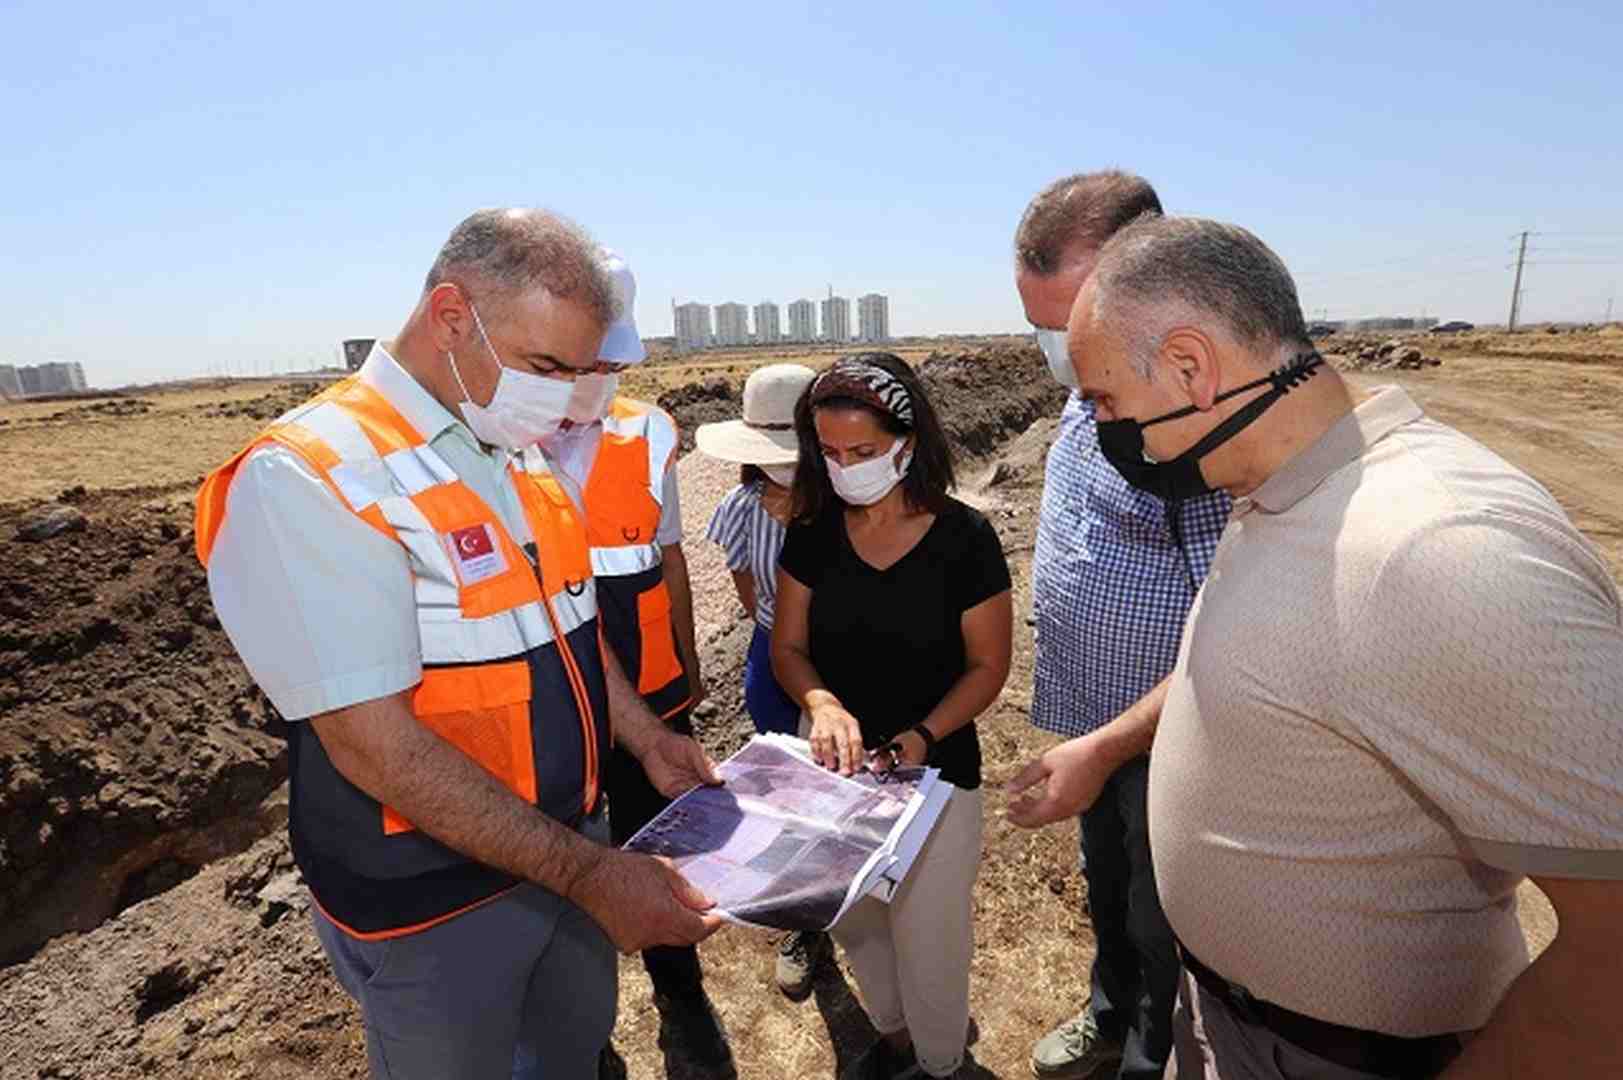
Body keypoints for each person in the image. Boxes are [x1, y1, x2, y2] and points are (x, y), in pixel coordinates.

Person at [1008, 215, 1623, 1079]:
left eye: (1107, 401)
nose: (1108, 431)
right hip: (1225, 1018)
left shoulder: (1441, 549)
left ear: (1191, 368)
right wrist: (1109, 747)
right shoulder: (1276, 488)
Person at [195, 209, 724, 1079]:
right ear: (450, 316)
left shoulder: (515, 451)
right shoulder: (309, 477)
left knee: (569, 1049)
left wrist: (649, 740)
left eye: (583, 372)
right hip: (434, 902)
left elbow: (571, 629)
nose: (563, 400)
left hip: (563, 850)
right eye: (547, 367)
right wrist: (591, 876)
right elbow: (379, 748)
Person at [1014, 171, 1231, 1080]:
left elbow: (1229, 631)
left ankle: (1152, 1054)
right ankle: (1111, 1015)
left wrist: (1111, 748)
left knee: (1162, 913)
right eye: (1039, 325)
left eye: (1066, 323)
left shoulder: (1193, 426)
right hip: (1091, 721)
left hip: (1168, 735)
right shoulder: (1097, 386)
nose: (1054, 349)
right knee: (1109, 886)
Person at [772, 354, 1013, 1080]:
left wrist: (923, 735)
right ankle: (896, 1035)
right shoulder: (812, 534)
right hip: (835, 777)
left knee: (929, 937)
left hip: (935, 774)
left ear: (908, 443)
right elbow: (786, 647)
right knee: (856, 923)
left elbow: (987, 667)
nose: (846, 467)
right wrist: (820, 703)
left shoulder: (963, 540)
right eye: (832, 452)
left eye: (865, 452)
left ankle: (940, 1061)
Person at [543, 250, 729, 1067]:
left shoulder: (649, 427)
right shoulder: (501, 435)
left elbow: (670, 556)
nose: (607, 377)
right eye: (593, 362)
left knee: (655, 842)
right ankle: (575, 1027)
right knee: (554, 851)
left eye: (619, 363)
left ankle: (680, 998)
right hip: (548, 695)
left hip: (646, 685)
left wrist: (686, 665)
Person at [695, 362, 830, 1001]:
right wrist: (779, 641)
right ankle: (802, 920)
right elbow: (745, 583)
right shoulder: (740, 506)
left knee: (847, 783)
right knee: (788, 787)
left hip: (847, 662)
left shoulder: (855, 507)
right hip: (772, 659)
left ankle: (855, 895)